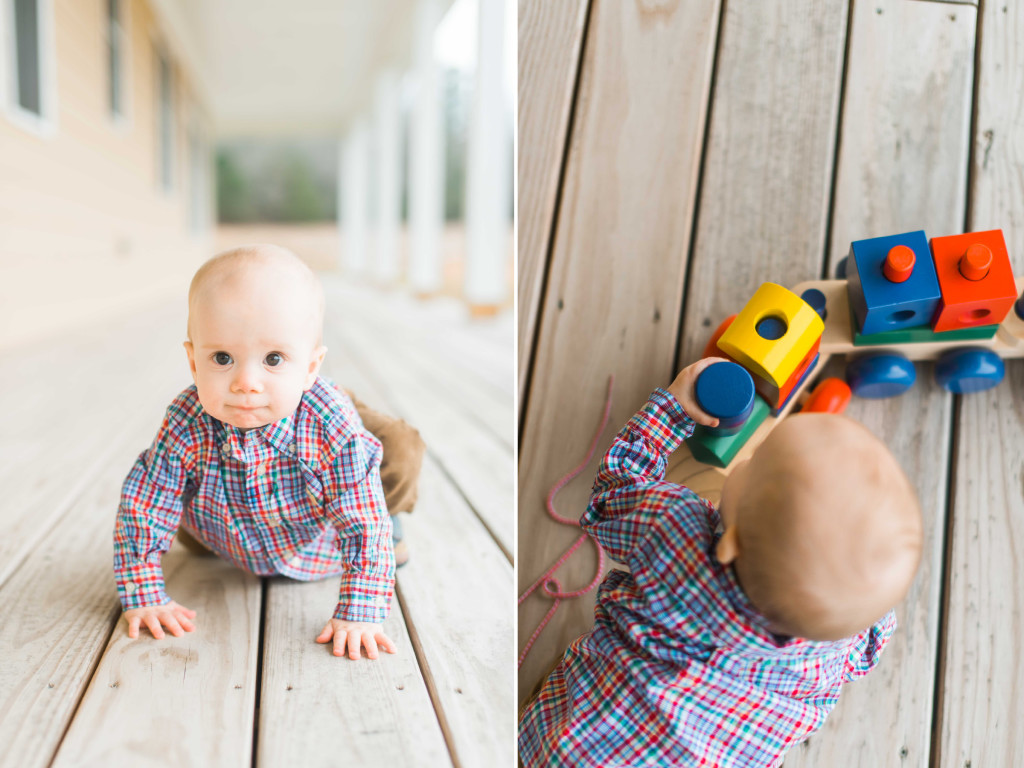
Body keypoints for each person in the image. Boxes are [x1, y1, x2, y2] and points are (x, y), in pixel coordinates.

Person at [518, 357, 923, 766]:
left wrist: (673, 409)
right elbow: (870, 638)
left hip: (567, 753)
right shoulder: (839, 643)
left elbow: (614, 492)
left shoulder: (675, 529)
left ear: (729, 545)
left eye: (756, 460)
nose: (745, 458)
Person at [113, 244, 423, 660]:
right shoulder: (187, 419)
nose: (245, 382)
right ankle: (216, 539)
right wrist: (143, 593)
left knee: (390, 458)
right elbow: (146, 504)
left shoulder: (330, 424)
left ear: (312, 367)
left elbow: (361, 519)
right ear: (192, 361)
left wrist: (360, 612)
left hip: (314, 526)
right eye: (222, 358)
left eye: (273, 358)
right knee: (165, 493)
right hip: (221, 521)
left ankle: (395, 528)